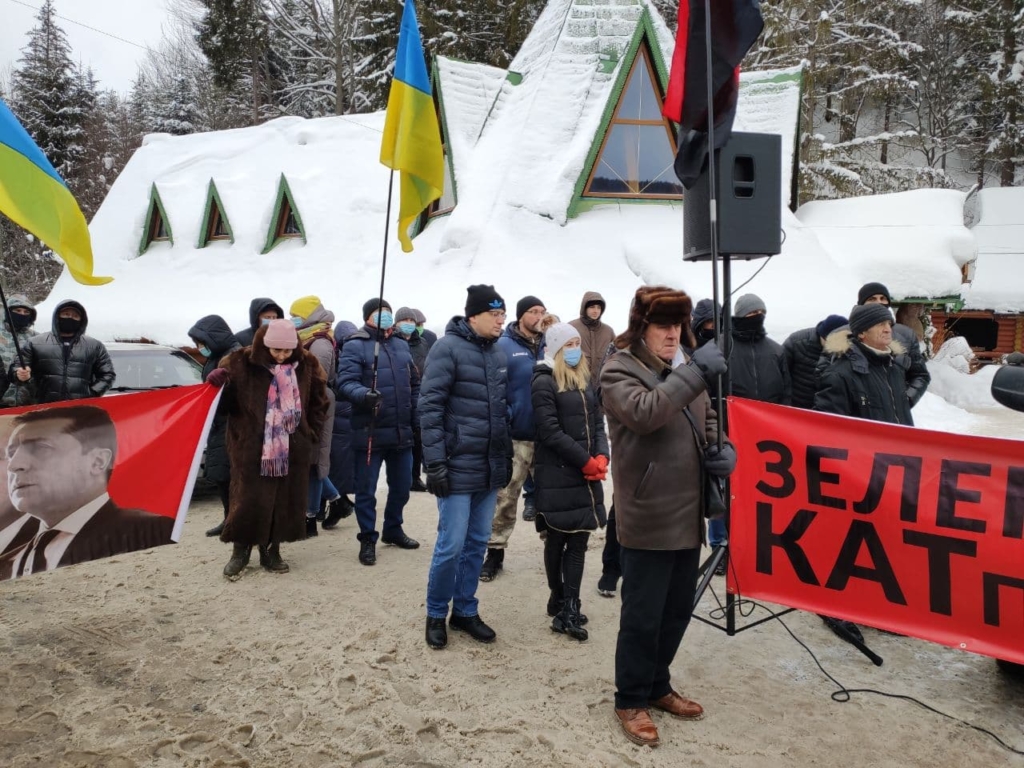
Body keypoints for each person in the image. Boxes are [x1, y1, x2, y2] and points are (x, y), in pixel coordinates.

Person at [600, 285, 734, 748]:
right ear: (642, 327)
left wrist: (722, 449)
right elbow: (645, 413)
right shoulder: (619, 369)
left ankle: (657, 685)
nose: (673, 334)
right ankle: (630, 697)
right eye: (663, 326)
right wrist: (695, 373)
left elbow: (707, 413)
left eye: (678, 325)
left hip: (687, 512)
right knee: (642, 615)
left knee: (676, 611)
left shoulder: (682, 368)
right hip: (647, 512)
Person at [421, 285, 513, 650]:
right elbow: (429, 409)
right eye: (494, 314)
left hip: (488, 467)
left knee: (477, 542)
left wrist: (503, 459)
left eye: (503, 314)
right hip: (457, 465)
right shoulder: (447, 348)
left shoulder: (497, 354)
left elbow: (501, 412)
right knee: (451, 544)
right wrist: (436, 464)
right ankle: (435, 612)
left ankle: (465, 609)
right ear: (473, 315)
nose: (500, 320)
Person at [212, 319, 330, 579]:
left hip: (291, 445)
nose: (281, 355)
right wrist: (218, 386)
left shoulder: (307, 364)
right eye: (276, 350)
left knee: (282, 498)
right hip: (250, 446)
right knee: (247, 498)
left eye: (287, 351)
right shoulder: (238, 363)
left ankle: (271, 550)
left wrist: (310, 432)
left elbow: (320, 401)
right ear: (264, 344)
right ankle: (240, 552)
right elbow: (222, 408)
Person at [0, 405, 173, 579]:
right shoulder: (9, 562)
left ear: (97, 461)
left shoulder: (152, 532)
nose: (14, 465)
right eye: (12, 453)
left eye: (41, 448)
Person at [532, 323, 608, 642]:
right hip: (559, 473)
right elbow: (549, 431)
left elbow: (598, 423)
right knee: (558, 539)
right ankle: (559, 596)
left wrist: (602, 457)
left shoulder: (585, 380)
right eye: (570, 344)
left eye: (578, 342)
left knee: (578, 540)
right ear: (557, 349)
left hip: (585, 476)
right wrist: (585, 460)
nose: (576, 348)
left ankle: (570, 608)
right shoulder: (543, 381)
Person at [336, 298, 420, 565]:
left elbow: (415, 383)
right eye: (379, 313)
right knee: (366, 490)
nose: (385, 316)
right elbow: (344, 383)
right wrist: (364, 394)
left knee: (403, 487)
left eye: (388, 313)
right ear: (367, 317)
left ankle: (393, 529)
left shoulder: (400, 344)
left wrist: (417, 409)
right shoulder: (355, 345)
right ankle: (368, 538)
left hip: (401, 431)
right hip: (369, 430)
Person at [481, 295, 546, 581]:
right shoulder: (503, 346)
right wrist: (507, 415)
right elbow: (495, 388)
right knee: (505, 498)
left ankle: (555, 553)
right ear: (520, 316)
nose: (539, 316)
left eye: (542, 311)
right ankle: (494, 554)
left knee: (551, 498)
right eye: (533, 311)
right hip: (516, 436)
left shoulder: (551, 344)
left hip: (547, 436)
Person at [187, 314, 242, 538]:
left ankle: (236, 521)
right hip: (218, 422)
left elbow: (241, 391)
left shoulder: (235, 355)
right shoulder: (215, 356)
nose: (200, 347)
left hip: (233, 424)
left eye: (202, 342)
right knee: (221, 476)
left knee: (233, 477)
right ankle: (229, 518)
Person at [815, 303, 914, 426]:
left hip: (899, 444)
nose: (888, 329)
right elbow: (828, 428)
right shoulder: (840, 374)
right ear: (862, 333)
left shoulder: (895, 367)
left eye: (889, 323)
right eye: (880, 324)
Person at [290, 295, 339, 537]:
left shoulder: (319, 343)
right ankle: (337, 501)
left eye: (296, 316)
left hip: (317, 405)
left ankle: (310, 516)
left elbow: (315, 380)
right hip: (306, 403)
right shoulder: (306, 338)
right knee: (308, 460)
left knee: (316, 460)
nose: (292, 320)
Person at [11, 300, 115, 404]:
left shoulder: (94, 346)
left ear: (82, 320)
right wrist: (19, 374)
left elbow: (108, 374)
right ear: (57, 316)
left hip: (80, 409)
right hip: (43, 407)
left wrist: (92, 393)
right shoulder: (35, 342)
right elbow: (16, 368)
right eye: (66, 314)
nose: (70, 318)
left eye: (75, 316)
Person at [856, 282, 930, 406]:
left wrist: (907, 400)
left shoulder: (906, 335)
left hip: (894, 414)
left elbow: (920, 375)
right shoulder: (846, 333)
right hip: (857, 415)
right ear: (862, 303)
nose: (878, 302)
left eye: (882, 298)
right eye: (872, 299)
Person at [723, 294, 791, 405]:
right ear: (741, 315)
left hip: (769, 418)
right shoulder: (725, 347)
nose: (759, 316)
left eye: (762, 312)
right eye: (754, 312)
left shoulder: (776, 350)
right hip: (734, 418)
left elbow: (786, 391)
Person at [326, 320, 358, 527]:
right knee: (341, 465)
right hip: (351, 414)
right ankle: (339, 503)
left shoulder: (335, 355)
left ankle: (337, 504)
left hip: (338, 414)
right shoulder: (362, 352)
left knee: (332, 465)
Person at [394, 307, 429, 492]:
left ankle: (415, 477)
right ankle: (402, 477)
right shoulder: (392, 341)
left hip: (419, 394)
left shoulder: (422, 342)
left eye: (411, 320)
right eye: (404, 320)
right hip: (400, 394)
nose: (408, 323)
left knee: (418, 440)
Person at [783, 314, 849, 410]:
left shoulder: (848, 347)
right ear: (822, 335)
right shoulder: (796, 342)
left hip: (828, 409)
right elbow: (780, 373)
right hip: (796, 405)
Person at [0, 294, 38, 407]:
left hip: (28, 405)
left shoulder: (36, 339)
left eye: (26, 312)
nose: (22, 314)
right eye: (18, 310)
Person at [569, 291, 615, 384]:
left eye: (599, 307)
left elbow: (616, 357)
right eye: (592, 307)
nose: (596, 311)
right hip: (577, 383)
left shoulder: (608, 331)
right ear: (584, 308)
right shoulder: (571, 327)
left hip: (602, 385)